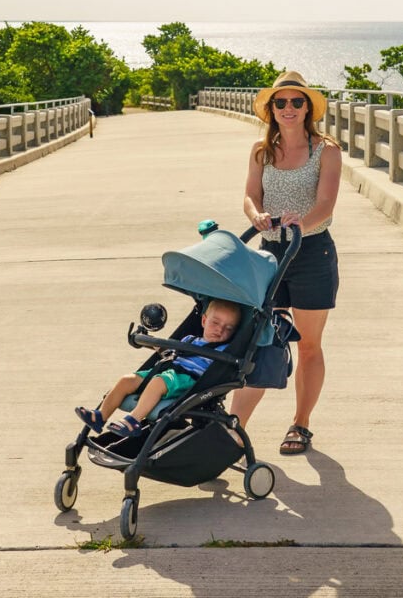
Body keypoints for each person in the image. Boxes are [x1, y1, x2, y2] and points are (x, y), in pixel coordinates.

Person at [230, 71, 342, 456]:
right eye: (281, 102)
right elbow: (249, 195)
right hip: (269, 253)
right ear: (271, 109)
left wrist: (299, 225)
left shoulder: (326, 150)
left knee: (309, 345)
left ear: (308, 107)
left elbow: (326, 203)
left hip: (311, 253)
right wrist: (257, 215)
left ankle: (301, 423)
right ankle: (234, 427)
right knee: (261, 341)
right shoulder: (261, 151)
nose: (289, 108)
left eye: (297, 102)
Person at [75, 298, 242, 438]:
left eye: (228, 328)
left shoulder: (223, 350)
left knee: (158, 381)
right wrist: (146, 340)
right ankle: (100, 416)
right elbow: (168, 351)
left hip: (187, 380)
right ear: (204, 321)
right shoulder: (190, 339)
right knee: (127, 380)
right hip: (167, 370)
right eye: (215, 322)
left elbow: (221, 371)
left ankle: (134, 421)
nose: (220, 330)